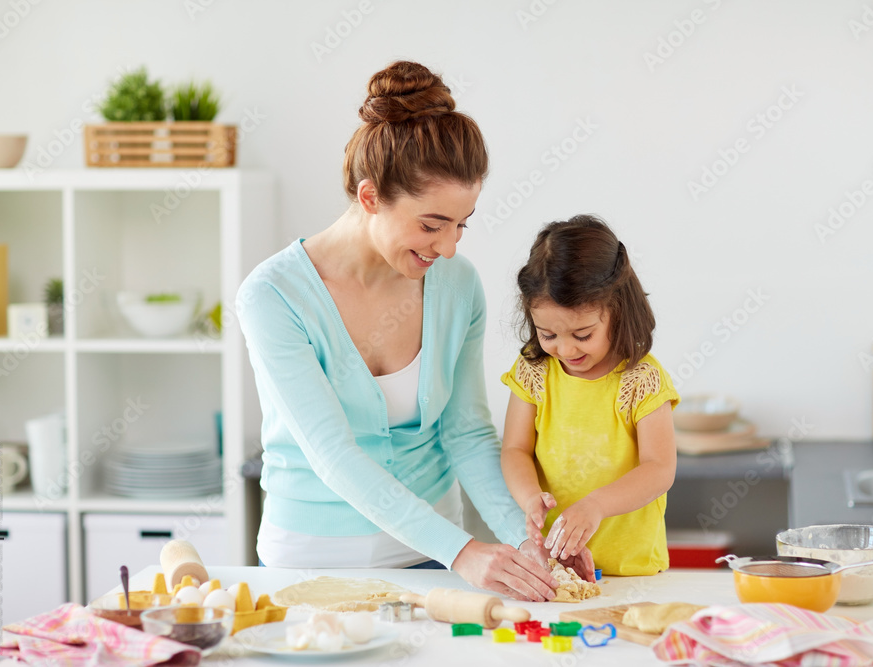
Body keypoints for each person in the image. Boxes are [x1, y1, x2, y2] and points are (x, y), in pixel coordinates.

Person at [237, 61, 588, 601]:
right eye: (431, 224)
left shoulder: (456, 285)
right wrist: (464, 551)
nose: (448, 247)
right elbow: (334, 454)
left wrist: (528, 541)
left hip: (432, 561)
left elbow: (467, 433)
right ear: (371, 196)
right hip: (309, 565)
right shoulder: (274, 296)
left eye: (461, 224)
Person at [500, 214, 680, 576]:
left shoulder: (641, 378)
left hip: (630, 569)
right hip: (556, 569)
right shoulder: (534, 370)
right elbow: (514, 449)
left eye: (582, 335)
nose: (565, 349)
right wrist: (529, 497)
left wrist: (596, 505)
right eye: (548, 334)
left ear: (618, 310)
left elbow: (659, 468)